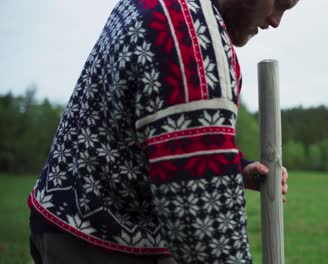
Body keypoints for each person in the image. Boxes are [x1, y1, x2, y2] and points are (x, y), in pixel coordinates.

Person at [28, 0, 299, 263]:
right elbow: (203, 219)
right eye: (279, 3)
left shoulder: (170, 10)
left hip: (71, 220)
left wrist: (238, 167)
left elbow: (153, 130)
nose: (276, 21)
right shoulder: (189, 36)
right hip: (97, 241)